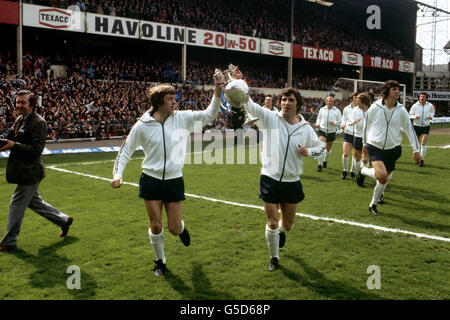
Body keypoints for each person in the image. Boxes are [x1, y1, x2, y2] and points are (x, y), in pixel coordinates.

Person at [111, 74, 223, 276]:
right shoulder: (142, 125)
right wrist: (117, 174)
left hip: (174, 180)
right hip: (151, 180)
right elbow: (126, 150)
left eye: (174, 98)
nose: (175, 102)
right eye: (170, 99)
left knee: (173, 228)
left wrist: (217, 89)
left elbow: (209, 115)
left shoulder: (182, 118)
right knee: (155, 225)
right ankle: (160, 262)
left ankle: (181, 229)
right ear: (158, 102)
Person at [245, 84, 325, 271]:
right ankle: (274, 258)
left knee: (287, 225)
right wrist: (241, 85)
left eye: (291, 100)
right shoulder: (270, 118)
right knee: (272, 222)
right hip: (269, 179)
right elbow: (250, 105)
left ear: (298, 105)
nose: (286, 103)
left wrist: (310, 151)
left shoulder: (305, 128)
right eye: (283, 99)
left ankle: (281, 232)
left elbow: (320, 147)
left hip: (292, 181)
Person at [0, 90, 73, 252]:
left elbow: (35, 150)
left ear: (32, 105)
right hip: (22, 170)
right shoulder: (20, 119)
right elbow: (10, 134)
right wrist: (3, 140)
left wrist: (13, 145)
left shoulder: (39, 123)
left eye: (23, 103)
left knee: (17, 203)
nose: (19, 105)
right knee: (36, 203)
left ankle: (10, 240)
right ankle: (64, 220)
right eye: (17, 102)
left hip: (31, 172)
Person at [356, 80, 421, 215]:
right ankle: (363, 170)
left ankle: (372, 204)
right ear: (386, 92)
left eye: (398, 89)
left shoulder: (402, 110)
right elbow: (366, 126)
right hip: (375, 146)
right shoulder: (374, 108)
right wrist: (364, 144)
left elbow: (410, 130)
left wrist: (416, 150)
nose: (397, 91)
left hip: (392, 149)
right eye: (393, 89)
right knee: (382, 176)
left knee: (384, 179)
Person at [314, 95, 342, 171]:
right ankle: (319, 165)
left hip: (332, 132)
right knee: (321, 147)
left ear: (334, 103)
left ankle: (325, 161)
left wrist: (335, 122)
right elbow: (319, 119)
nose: (330, 102)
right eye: (328, 101)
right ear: (326, 102)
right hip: (322, 130)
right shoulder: (322, 110)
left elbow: (340, 122)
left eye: (331, 101)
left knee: (328, 149)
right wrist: (317, 124)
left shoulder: (337, 111)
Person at [347, 92, 371, 178]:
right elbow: (348, 122)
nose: (356, 102)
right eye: (356, 100)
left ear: (363, 102)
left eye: (358, 100)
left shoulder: (371, 110)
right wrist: (354, 121)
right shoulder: (355, 110)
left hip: (369, 138)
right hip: (357, 136)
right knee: (357, 157)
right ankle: (356, 172)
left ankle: (361, 175)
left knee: (365, 158)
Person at [409, 92, 435, 167]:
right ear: (419, 98)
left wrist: (431, 116)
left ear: (426, 98)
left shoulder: (429, 105)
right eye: (421, 97)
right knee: (416, 144)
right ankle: (417, 157)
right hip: (416, 126)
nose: (422, 98)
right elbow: (410, 114)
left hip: (426, 126)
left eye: (424, 97)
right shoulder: (415, 106)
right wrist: (414, 117)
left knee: (423, 143)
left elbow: (432, 112)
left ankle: (421, 160)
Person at [340, 92, 358, 179]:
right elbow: (344, 119)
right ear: (352, 98)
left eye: (358, 98)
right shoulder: (346, 109)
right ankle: (344, 170)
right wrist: (343, 124)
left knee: (355, 155)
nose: (357, 99)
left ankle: (352, 171)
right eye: (355, 97)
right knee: (346, 153)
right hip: (348, 133)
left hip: (358, 135)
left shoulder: (361, 109)